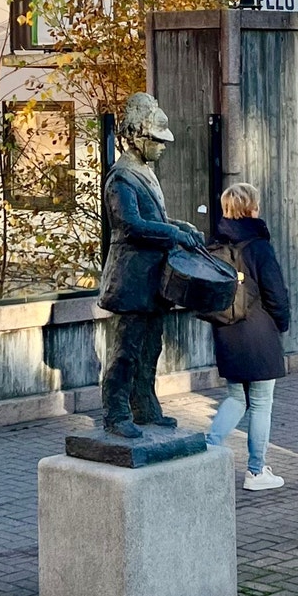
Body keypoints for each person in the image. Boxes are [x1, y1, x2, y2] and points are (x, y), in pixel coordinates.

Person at [96, 91, 205, 438]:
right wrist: (173, 233)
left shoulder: (144, 171)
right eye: (157, 141)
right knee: (126, 351)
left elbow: (153, 218)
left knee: (151, 347)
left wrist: (180, 226)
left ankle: (145, 405)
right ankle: (116, 413)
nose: (163, 147)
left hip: (152, 278)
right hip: (131, 279)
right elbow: (130, 225)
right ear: (140, 138)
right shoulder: (122, 177)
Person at [205, 182, 291, 493]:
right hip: (259, 332)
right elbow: (275, 293)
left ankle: (208, 449)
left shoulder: (214, 247)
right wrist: (281, 324)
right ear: (251, 208)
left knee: (235, 398)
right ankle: (256, 471)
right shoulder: (258, 247)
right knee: (261, 402)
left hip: (227, 331)